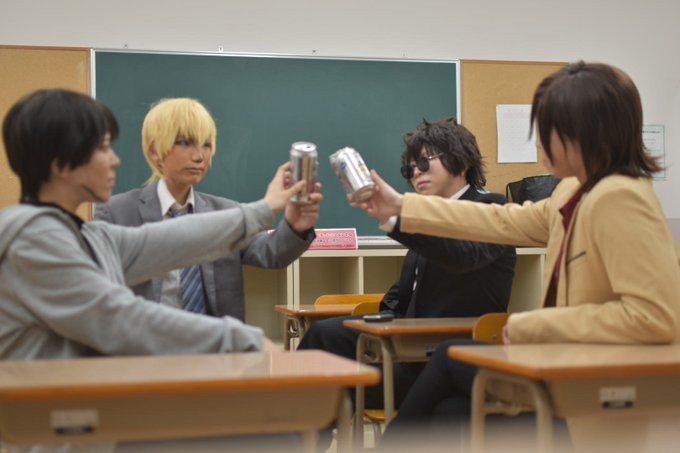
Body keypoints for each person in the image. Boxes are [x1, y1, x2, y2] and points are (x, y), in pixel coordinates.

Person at [353, 62, 680, 449]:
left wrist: (535, 326)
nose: (537, 143)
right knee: (450, 412)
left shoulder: (620, 198)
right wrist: (402, 205)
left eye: (546, 130)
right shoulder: (573, 191)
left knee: (450, 359)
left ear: (584, 132)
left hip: (600, 387)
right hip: (566, 367)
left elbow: (655, 318)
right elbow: (502, 220)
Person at [0, 89, 313, 451]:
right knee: (273, 435)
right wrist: (242, 340)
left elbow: (169, 241)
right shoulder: (35, 241)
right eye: (103, 148)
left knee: (271, 431)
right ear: (60, 164)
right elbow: (118, 317)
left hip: (95, 419)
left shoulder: (83, 235)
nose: (115, 160)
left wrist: (265, 208)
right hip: (59, 435)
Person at [298, 118, 516, 448]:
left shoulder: (491, 208)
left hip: (447, 357)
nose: (416, 173)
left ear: (461, 162)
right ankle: (296, 441)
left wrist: (396, 220)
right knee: (323, 337)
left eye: (425, 162)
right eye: (409, 168)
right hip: (406, 352)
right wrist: (379, 320)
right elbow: (404, 293)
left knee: (337, 380)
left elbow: (463, 256)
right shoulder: (426, 215)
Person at [94, 98, 320, 320]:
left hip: (217, 339)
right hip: (146, 339)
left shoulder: (225, 212)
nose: (199, 156)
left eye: (206, 145)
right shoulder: (117, 213)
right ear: (154, 151)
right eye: (184, 143)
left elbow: (270, 253)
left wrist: (295, 226)